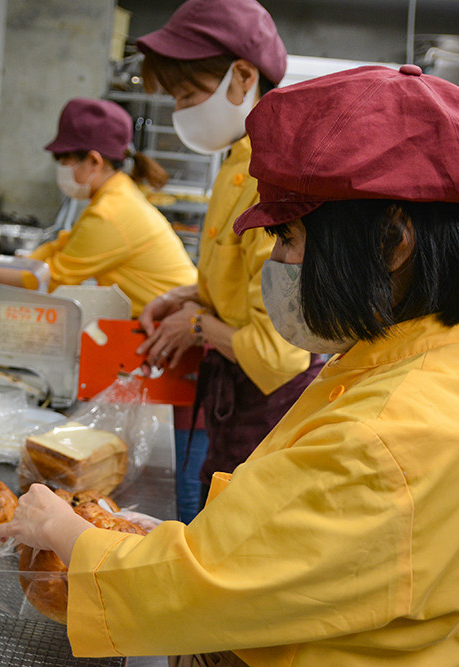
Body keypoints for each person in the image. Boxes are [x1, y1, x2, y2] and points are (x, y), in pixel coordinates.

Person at [0, 64, 459, 666]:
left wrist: (65, 532)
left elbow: (204, 587)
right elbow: (297, 551)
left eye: (288, 239)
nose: (278, 265)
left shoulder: (386, 434)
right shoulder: (455, 352)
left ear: (394, 242)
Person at [133, 0, 322, 513]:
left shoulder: (275, 175)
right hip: (234, 389)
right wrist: (186, 296)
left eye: (188, 93)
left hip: (268, 402)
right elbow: (240, 279)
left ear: (242, 76)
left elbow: (282, 353)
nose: (180, 111)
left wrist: (199, 326)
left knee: (233, 525)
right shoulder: (239, 158)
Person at [28, 97, 198, 317]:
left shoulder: (110, 213)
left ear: (94, 162)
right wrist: (13, 265)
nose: (62, 169)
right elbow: (64, 244)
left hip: (175, 323)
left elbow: (49, 280)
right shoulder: (117, 193)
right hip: (165, 318)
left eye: (65, 161)